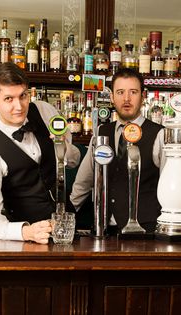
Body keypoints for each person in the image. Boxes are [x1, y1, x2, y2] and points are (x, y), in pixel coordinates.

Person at [0, 63, 80, 244]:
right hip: (28, 242)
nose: (19, 106)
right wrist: (25, 232)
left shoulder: (44, 111)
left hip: (69, 230)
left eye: (23, 96)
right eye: (9, 99)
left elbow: (74, 160)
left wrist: (62, 145)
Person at [70, 68, 165, 232]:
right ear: (112, 97)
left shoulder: (159, 134)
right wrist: (67, 216)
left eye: (133, 92)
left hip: (145, 229)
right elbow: (83, 182)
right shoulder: (101, 132)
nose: (126, 99)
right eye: (120, 92)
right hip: (105, 227)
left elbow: (168, 186)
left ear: (143, 96)